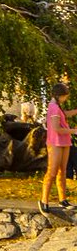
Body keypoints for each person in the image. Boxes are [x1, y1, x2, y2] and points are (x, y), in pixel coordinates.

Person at [40, 82, 77, 213]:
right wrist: (74, 131)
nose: (66, 98)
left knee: (63, 171)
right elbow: (56, 128)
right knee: (52, 171)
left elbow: (64, 115)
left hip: (64, 142)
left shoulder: (57, 106)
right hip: (55, 143)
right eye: (65, 96)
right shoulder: (54, 108)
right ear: (60, 96)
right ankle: (44, 200)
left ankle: (63, 199)